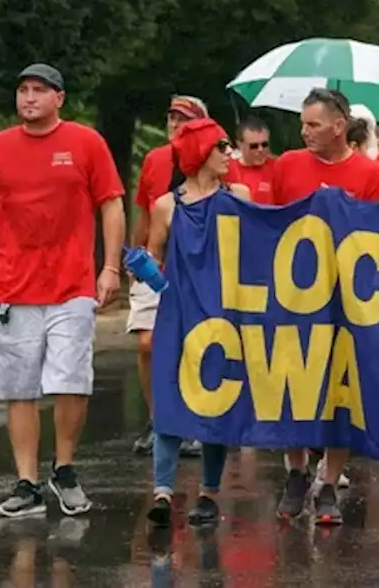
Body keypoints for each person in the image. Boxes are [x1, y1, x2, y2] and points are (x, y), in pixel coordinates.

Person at [0, 63, 125, 518]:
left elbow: (111, 204)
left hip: (72, 284)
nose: (29, 98)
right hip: (13, 288)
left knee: (71, 381)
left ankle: (66, 470)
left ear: (59, 98)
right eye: (23, 90)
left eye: (39, 90)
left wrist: (109, 267)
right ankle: (27, 484)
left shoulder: (86, 142)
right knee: (21, 388)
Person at [271, 87, 379, 524]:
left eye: (313, 124)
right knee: (291, 388)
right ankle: (296, 473)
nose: (304, 131)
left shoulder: (371, 175)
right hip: (294, 298)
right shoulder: (286, 165)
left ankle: (329, 484)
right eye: (303, 123)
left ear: (339, 127)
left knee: (341, 392)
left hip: (347, 303)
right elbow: (267, 224)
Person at [144, 118, 250, 528]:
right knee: (170, 397)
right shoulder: (165, 206)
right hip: (179, 313)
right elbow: (155, 255)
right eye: (221, 145)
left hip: (224, 314)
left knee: (216, 401)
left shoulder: (238, 196)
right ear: (198, 152)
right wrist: (144, 267)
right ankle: (163, 490)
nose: (229, 153)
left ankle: (208, 492)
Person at [130, 95, 210, 456]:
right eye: (171, 118)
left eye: (184, 119)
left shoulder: (215, 160)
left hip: (197, 268)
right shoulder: (153, 160)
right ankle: (157, 418)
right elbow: (145, 212)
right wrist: (135, 258)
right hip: (155, 263)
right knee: (147, 343)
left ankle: (191, 419)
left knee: (190, 345)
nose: (175, 124)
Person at [225, 116, 277, 204]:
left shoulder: (278, 167)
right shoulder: (227, 169)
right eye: (254, 146)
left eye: (264, 144)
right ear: (239, 144)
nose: (260, 150)